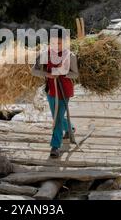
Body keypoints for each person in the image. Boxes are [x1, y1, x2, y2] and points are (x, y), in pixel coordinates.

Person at [31, 25, 79, 158]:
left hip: (64, 91)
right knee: (56, 116)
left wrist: (63, 72)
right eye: (52, 42)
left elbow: (75, 74)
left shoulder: (70, 56)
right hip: (51, 90)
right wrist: (47, 74)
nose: (55, 45)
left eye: (59, 43)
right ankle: (70, 129)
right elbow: (33, 70)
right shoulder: (44, 54)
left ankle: (55, 146)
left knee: (57, 118)